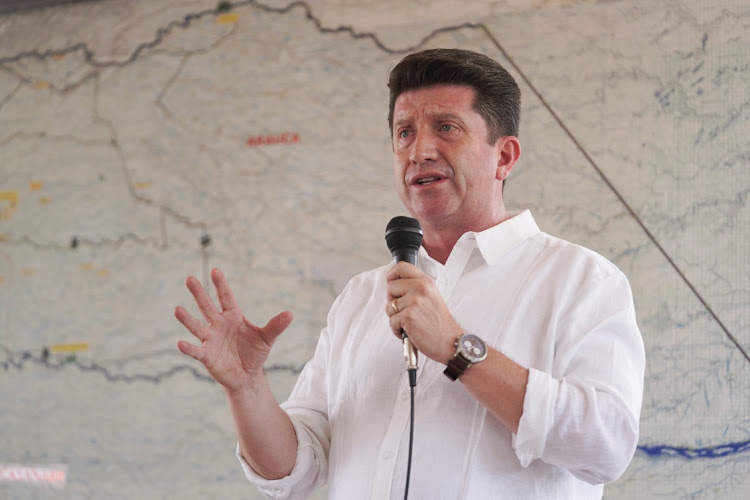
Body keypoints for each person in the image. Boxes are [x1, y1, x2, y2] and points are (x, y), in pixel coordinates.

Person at [174, 48, 645, 499]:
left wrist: (457, 349)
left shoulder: (581, 281)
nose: (419, 150)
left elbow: (605, 445)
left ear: (504, 157)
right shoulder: (362, 295)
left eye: (446, 127)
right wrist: (248, 388)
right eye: (404, 132)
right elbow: (294, 471)